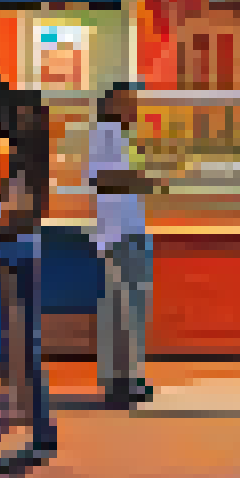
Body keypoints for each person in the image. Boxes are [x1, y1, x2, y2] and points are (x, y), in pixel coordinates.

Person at [0, 89, 55, 456]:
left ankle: (40, 427)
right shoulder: (33, 158)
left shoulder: (20, 160)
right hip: (24, 249)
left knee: (24, 342)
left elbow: (16, 211)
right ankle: (33, 420)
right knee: (23, 341)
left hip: (14, 251)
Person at [89, 83, 154, 409]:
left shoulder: (120, 135)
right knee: (123, 310)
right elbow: (101, 178)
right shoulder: (106, 132)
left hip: (127, 232)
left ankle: (130, 377)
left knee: (130, 310)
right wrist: (144, 181)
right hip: (119, 234)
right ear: (112, 102)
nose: (135, 108)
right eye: (130, 101)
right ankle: (121, 380)